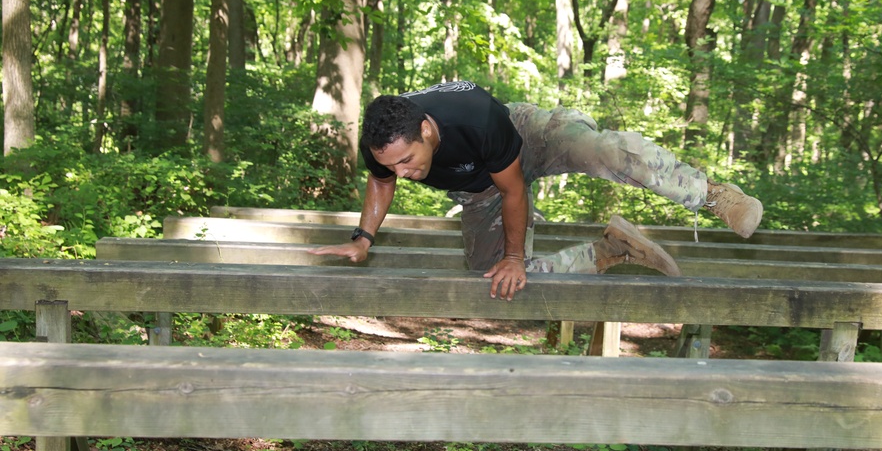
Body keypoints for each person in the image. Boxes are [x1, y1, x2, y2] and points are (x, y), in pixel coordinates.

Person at [310, 81, 763, 301]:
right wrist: (362, 239)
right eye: (392, 163)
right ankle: (612, 251)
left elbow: (515, 191)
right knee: (496, 279)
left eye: (408, 160)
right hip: (481, 188)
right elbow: (379, 182)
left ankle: (713, 194)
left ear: (427, 130)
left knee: (599, 150)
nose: (403, 172)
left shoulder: (472, 117)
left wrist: (514, 253)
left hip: (524, 135)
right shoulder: (383, 142)